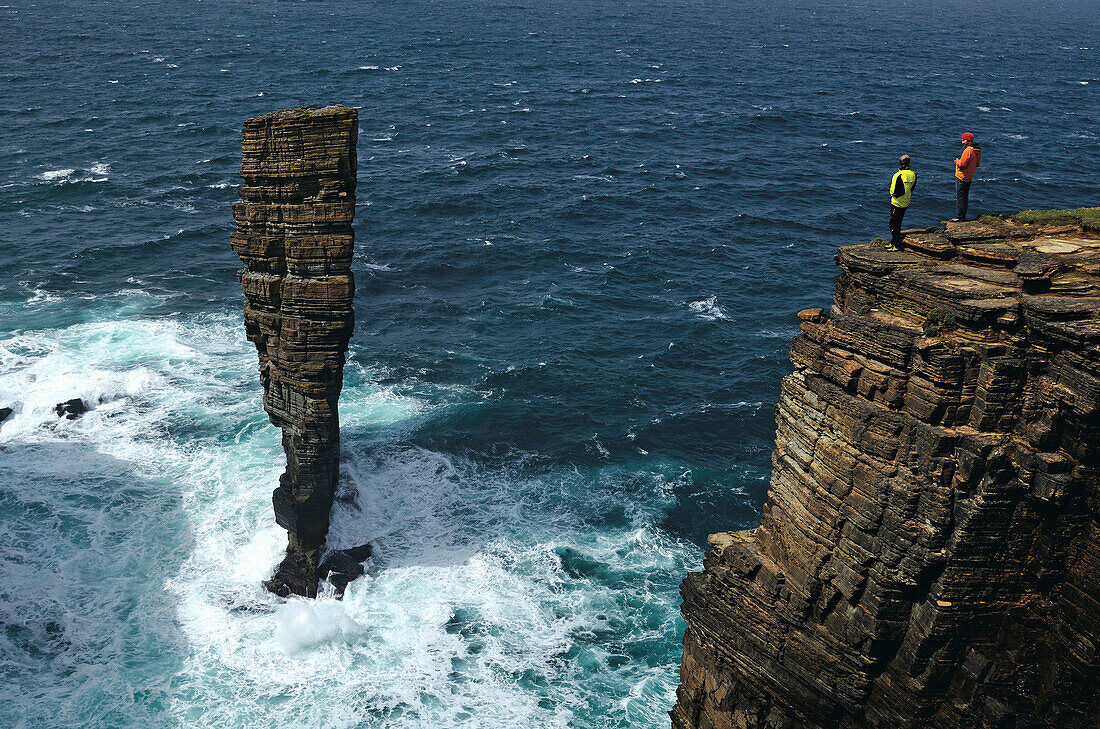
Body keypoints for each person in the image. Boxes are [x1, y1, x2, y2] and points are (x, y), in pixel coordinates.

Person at [951, 132, 982, 221]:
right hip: (969, 177)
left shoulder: (968, 150)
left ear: (968, 141)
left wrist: (957, 161)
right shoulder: (977, 150)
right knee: (964, 197)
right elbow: (977, 164)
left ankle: (960, 217)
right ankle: (962, 216)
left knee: (960, 198)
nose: (962, 142)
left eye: (964, 140)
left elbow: (962, 165)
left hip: (962, 177)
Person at [889, 155, 916, 247]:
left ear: (900, 163)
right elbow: (912, 188)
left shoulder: (898, 175)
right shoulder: (913, 174)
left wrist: (894, 196)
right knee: (899, 222)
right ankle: (894, 242)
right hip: (906, 201)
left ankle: (896, 244)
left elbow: (893, 191)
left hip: (897, 202)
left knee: (893, 225)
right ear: (909, 163)